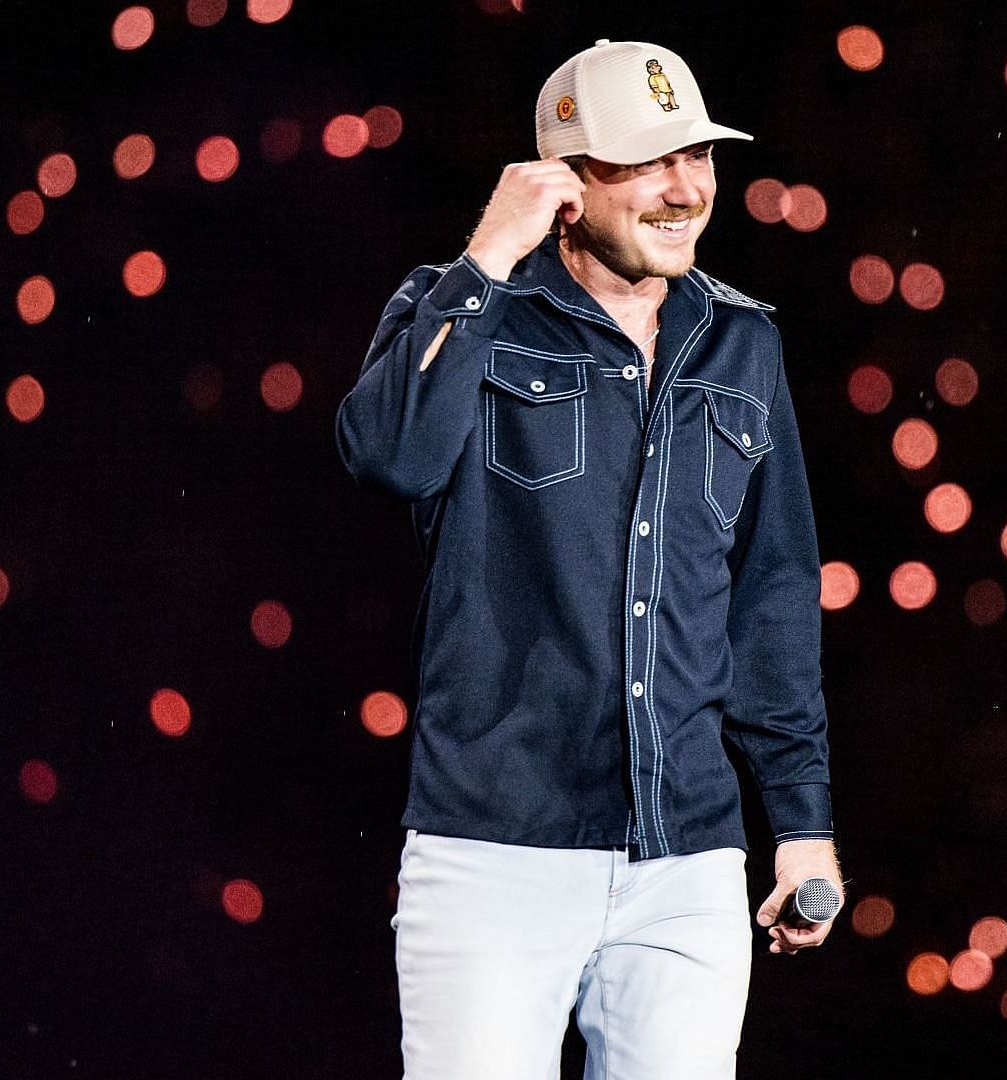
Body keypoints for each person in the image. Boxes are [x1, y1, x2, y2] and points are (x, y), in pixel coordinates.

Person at [334, 39, 842, 1079]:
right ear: (566, 184)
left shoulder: (744, 343)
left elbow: (773, 594)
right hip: (492, 856)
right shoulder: (466, 311)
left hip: (689, 863)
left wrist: (801, 821)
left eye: (698, 155)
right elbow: (385, 455)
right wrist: (486, 261)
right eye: (651, 161)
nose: (685, 187)